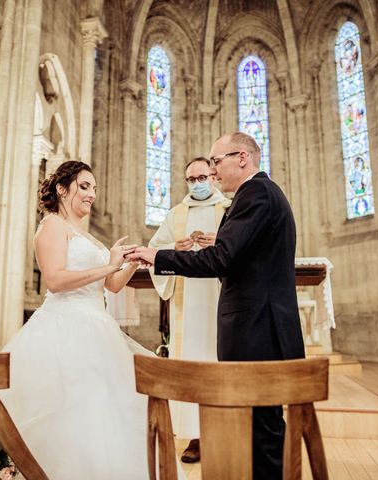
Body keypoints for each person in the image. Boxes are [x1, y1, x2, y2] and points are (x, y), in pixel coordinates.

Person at [0, 161, 182, 479]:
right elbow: (55, 280)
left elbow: (112, 286)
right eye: (84, 186)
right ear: (61, 189)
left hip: (98, 326)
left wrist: (132, 262)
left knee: (101, 411)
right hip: (63, 327)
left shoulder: (87, 236)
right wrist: (109, 266)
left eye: (94, 188)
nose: (92, 194)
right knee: (62, 409)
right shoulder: (51, 225)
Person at [129, 132, 305, 479]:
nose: (213, 170)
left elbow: (220, 260)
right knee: (260, 426)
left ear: (242, 157)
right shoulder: (262, 193)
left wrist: (157, 256)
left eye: (216, 161)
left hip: (257, 332)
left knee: (262, 429)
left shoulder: (255, 192)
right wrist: (221, 242)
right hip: (259, 329)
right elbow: (239, 254)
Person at [148, 157, 229, 463]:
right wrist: (175, 250)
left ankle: (224, 428)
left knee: (221, 361)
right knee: (193, 362)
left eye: (202, 177)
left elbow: (244, 248)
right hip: (188, 302)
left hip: (223, 300)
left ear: (213, 176)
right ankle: (195, 434)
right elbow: (154, 252)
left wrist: (220, 243)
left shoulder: (230, 208)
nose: (197, 183)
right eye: (191, 179)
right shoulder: (176, 214)